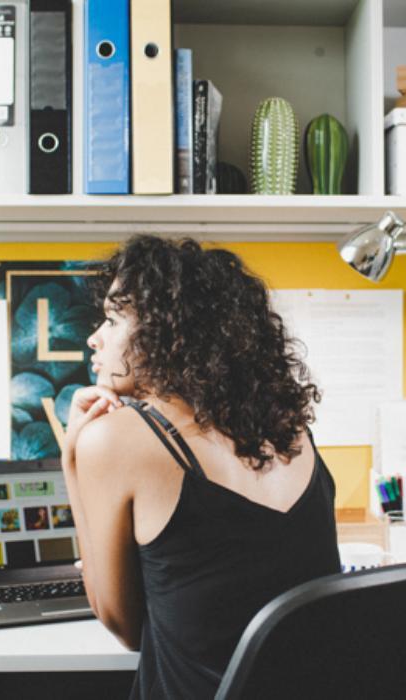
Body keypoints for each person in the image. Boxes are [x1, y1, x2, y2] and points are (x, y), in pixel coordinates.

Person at [61, 235, 341, 699]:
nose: (95, 337)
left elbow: (124, 627)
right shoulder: (291, 432)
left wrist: (72, 458)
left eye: (112, 319)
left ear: (167, 332)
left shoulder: (115, 439)